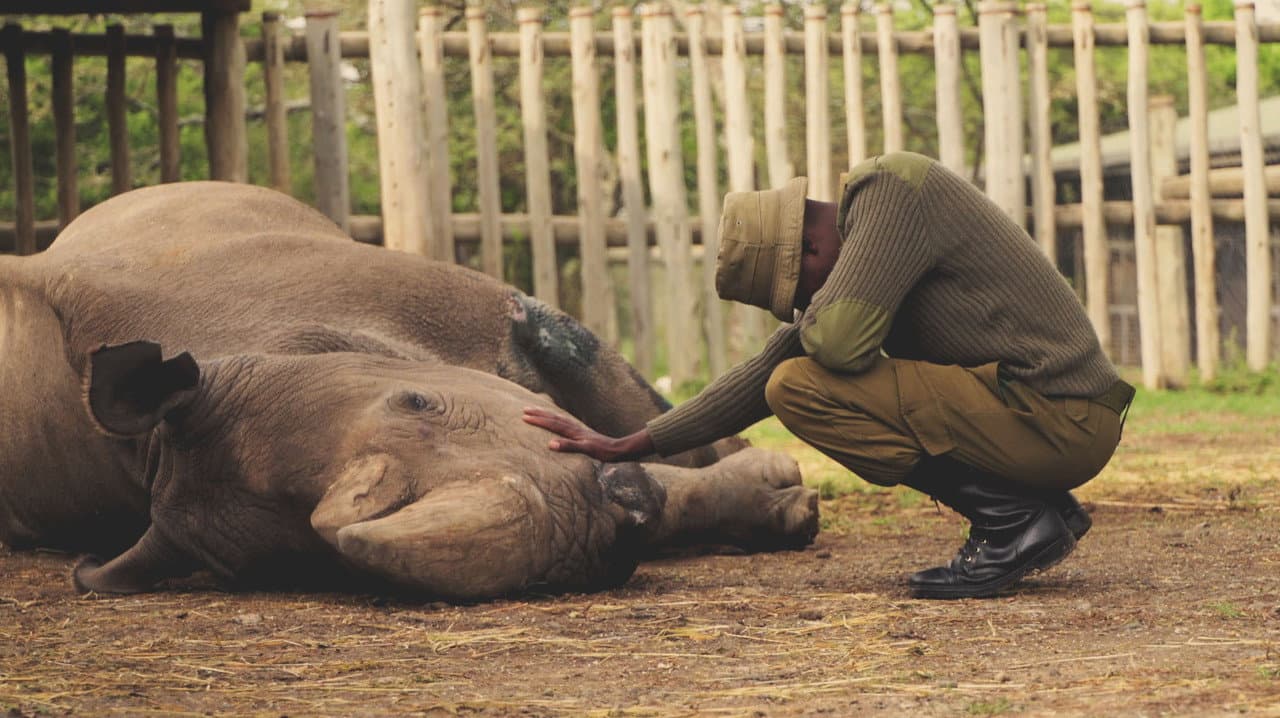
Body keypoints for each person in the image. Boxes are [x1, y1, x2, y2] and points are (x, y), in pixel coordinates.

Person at [523, 151, 1133, 600]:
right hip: (1050, 418)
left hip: (1060, 415)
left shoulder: (889, 194)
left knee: (802, 387)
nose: (805, 310)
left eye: (801, 294)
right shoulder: (874, 246)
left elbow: (831, 346)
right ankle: (1033, 506)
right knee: (788, 375)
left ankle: (1014, 519)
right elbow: (767, 366)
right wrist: (634, 441)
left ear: (811, 252)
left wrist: (813, 322)